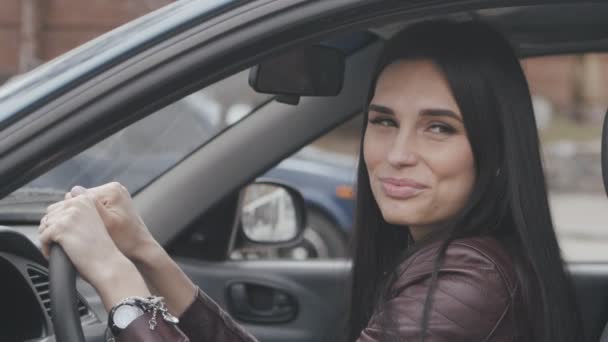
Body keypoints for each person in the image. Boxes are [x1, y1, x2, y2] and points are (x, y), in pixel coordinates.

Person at [38, 20, 582, 342]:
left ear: (495, 153)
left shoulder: (472, 284)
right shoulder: (465, 263)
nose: (396, 154)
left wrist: (115, 279)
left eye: (438, 128)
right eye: (383, 120)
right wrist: (147, 257)